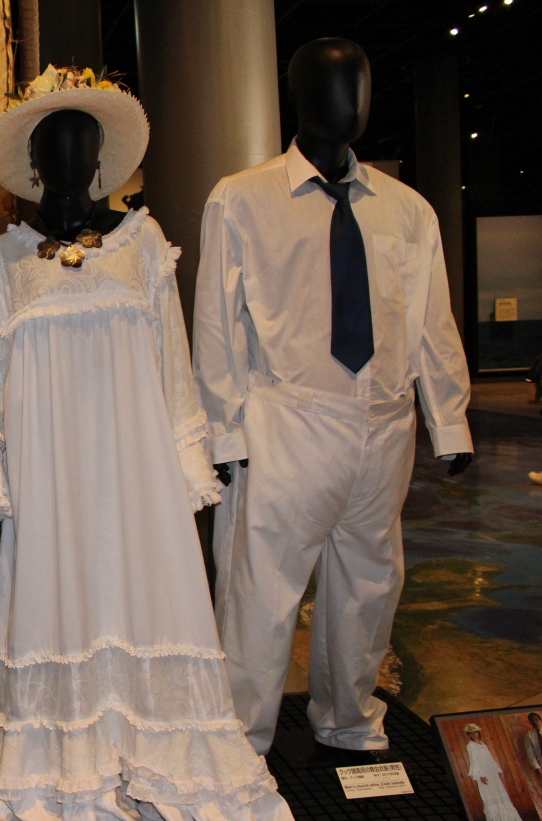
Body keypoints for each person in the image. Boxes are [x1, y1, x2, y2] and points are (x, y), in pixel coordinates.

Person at [0, 65, 308, 821]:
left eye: (84, 144)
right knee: (60, 610)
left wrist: (192, 457)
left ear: (101, 159)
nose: (71, 160)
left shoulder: (144, 247)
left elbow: (173, 368)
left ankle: (161, 752)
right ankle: (70, 758)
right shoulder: (1, 265)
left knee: (150, 605)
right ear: (35, 164)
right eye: (54, 146)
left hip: (136, 484)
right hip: (52, 483)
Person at [194, 39, 474, 756]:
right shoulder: (242, 199)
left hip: (385, 425)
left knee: (369, 584)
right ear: (296, 94)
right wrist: (222, 433)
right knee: (260, 591)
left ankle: (349, 718)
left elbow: (431, 319)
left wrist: (448, 419)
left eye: (360, 83)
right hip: (287, 421)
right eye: (331, 83)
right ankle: (242, 742)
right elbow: (218, 327)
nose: (350, 100)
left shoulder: (407, 211)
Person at [464, 724, 524, 821]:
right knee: (489, 792)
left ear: (478, 733)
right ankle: (496, 820)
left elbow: (490, 758)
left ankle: (509, 818)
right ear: (469, 735)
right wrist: (480, 775)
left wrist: (497, 769)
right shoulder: (470, 746)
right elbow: (474, 761)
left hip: (492, 772)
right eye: (471, 733)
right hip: (483, 773)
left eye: (475, 732)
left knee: (499, 791)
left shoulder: (483, 744)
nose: (474, 734)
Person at [526, 712, 542, 777]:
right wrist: (536, 766)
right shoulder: (529, 735)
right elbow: (530, 753)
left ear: (540, 720)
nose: (535, 722)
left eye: (536, 719)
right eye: (532, 721)